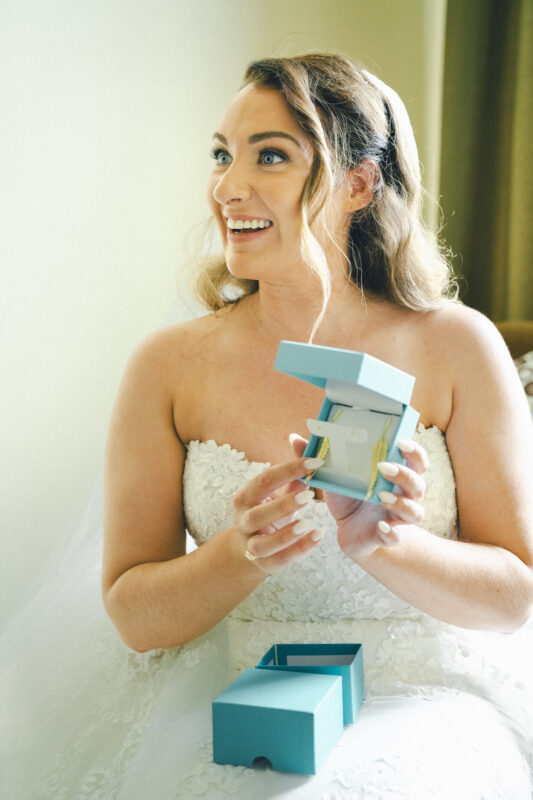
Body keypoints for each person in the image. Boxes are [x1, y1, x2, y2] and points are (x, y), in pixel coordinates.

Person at [3, 54, 533, 799]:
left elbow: (512, 597)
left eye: (271, 156)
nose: (227, 187)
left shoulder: (455, 345)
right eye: (222, 155)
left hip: (419, 697)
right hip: (225, 691)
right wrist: (242, 552)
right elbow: (135, 616)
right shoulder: (168, 365)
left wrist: (387, 541)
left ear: (359, 182)